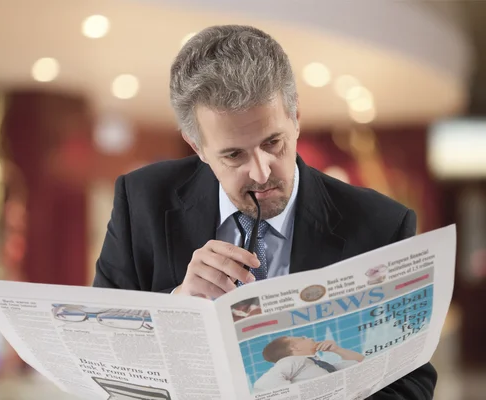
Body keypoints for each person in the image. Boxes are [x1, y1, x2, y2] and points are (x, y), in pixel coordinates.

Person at [93, 25, 437, 399]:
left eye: (273, 142)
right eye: (233, 155)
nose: (261, 172)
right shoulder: (141, 198)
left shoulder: (382, 225)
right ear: (197, 146)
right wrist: (177, 306)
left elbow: (411, 383)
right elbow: (98, 348)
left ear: (296, 118)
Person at [253, 336, 364, 390]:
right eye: (302, 338)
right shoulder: (292, 361)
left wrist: (337, 349)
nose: (310, 338)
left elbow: (359, 361)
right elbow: (263, 384)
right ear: (295, 347)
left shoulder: (319, 365)